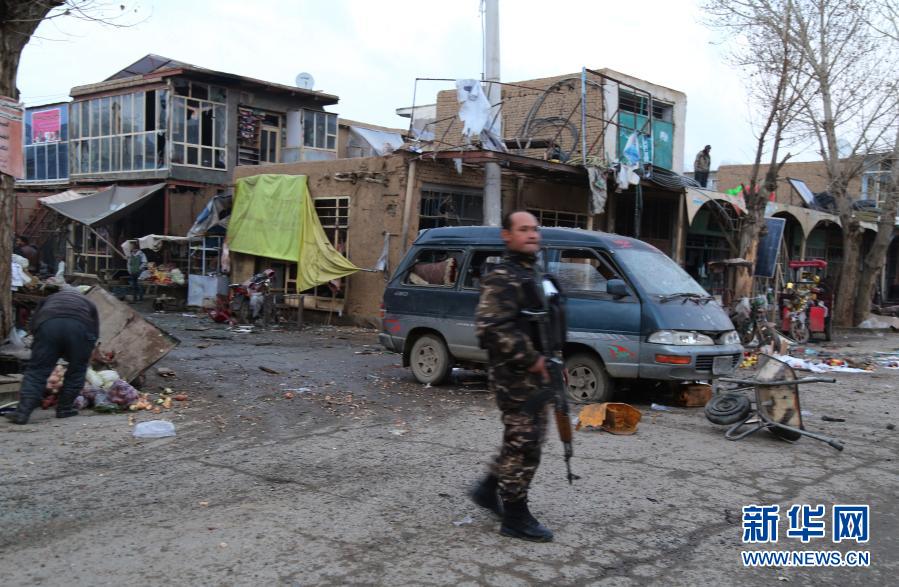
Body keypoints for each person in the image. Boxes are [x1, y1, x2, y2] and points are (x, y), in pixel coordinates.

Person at [471, 210, 559, 542]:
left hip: (539, 375)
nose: (532, 235)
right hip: (516, 377)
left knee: (523, 439)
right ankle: (515, 516)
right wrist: (532, 359)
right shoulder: (501, 277)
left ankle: (487, 489)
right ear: (506, 235)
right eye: (523, 230)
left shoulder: (533, 274)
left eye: (535, 229)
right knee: (525, 444)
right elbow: (491, 328)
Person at [4, 288, 99, 425]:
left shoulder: (49, 299)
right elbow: (94, 332)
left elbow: (34, 324)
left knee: (37, 370)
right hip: (79, 328)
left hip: (48, 326)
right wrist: (81, 352)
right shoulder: (88, 303)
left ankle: (22, 413)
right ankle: (64, 409)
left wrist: (40, 344)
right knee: (77, 369)